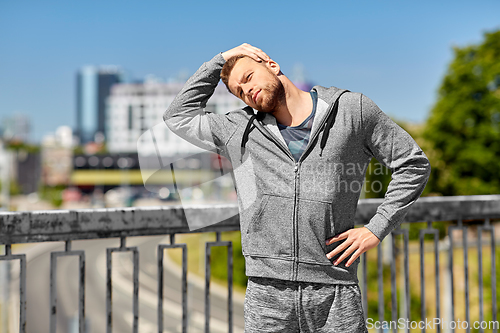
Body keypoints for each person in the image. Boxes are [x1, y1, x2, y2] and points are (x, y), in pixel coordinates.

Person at [163, 43, 431, 332]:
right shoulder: (238, 129)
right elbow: (178, 116)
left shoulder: (352, 111)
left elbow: (412, 164)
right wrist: (221, 60)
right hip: (267, 292)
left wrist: (377, 228)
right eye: (239, 91)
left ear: (272, 65)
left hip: (334, 289)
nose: (246, 91)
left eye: (249, 77)